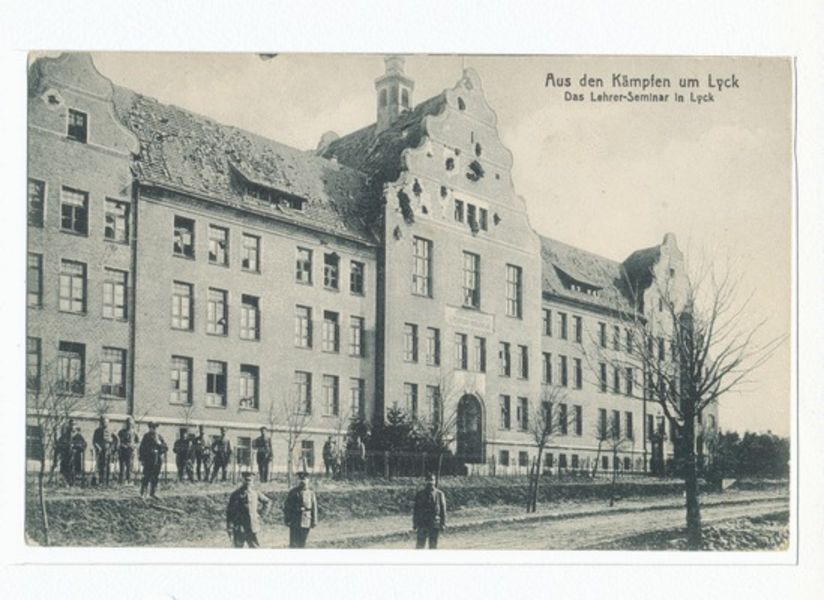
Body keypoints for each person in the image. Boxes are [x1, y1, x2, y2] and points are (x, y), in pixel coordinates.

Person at [226, 471, 271, 548]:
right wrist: (229, 526)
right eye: (246, 480)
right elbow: (230, 512)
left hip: (252, 526)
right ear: (242, 480)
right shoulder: (236, 494)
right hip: (239, 527)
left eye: (250, 480)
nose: (248, 482)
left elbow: (267, 502)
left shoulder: (255, 493)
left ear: (253, 481)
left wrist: (260, 515)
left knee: (255, 548)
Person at [283, 471, 318, 548]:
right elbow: (287, 507)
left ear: (308, 481)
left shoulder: (311, 493)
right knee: (293, 543)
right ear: (298, 481)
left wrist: (314, 521)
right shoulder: (293, 492)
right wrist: (287, 519)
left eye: (305, 479)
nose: (303, 481)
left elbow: (314, 508)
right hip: (295, 521)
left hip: (306, 520)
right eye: (301, 479)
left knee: (302, 543)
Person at [412, 473, 447, 549]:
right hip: (422, 523)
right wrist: (415, 523)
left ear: (435, 481)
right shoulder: (420, 494)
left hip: (434, 523)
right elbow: (416, 510)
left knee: (433, 545)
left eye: (432, 480)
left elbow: (443, 510)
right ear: (425, 481)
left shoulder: (439, 494)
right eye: (428, 480)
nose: (430, 482)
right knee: (420, 545)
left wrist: (443, 523)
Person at [139, 422, 168, 498]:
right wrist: (142, 459)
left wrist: (160, 445)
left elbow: (165, 448)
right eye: (152, 427)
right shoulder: (146, 436)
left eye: (155, 428)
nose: (154, 429)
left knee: (155, 476)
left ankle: (153, 493)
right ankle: (143, 493)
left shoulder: (159, 437)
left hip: (157, 460)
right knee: (146, 476)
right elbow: (142, 448)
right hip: (148, 459)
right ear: (149, 428)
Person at [92, 416, 119, 486]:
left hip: (108, 450)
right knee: (100, 465)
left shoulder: (111, 430)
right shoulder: (97, 431)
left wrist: (114, 448)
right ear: (101, 423)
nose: (105, 423)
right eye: (103, 422)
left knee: (108, 465)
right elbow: (94, 441)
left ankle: (107, 481)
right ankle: (101, 481)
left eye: (106, 422)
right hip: (100, 451)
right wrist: (98, 447)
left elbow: (117, 439)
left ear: (108, 423)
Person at [117, 417, 140, 483]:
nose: (129, 425)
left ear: (132, 424)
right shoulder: (121, 432)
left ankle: (129, 481)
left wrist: (133, 446)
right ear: (126, 424)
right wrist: (122, 445)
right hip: (122, 451)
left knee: (129, 467)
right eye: (128, 423)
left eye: (131, 423)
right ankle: (121, 481)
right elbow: (118, 441)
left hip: (130, 452)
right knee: (122, 467)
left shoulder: (134, 433)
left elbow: (138, 442)